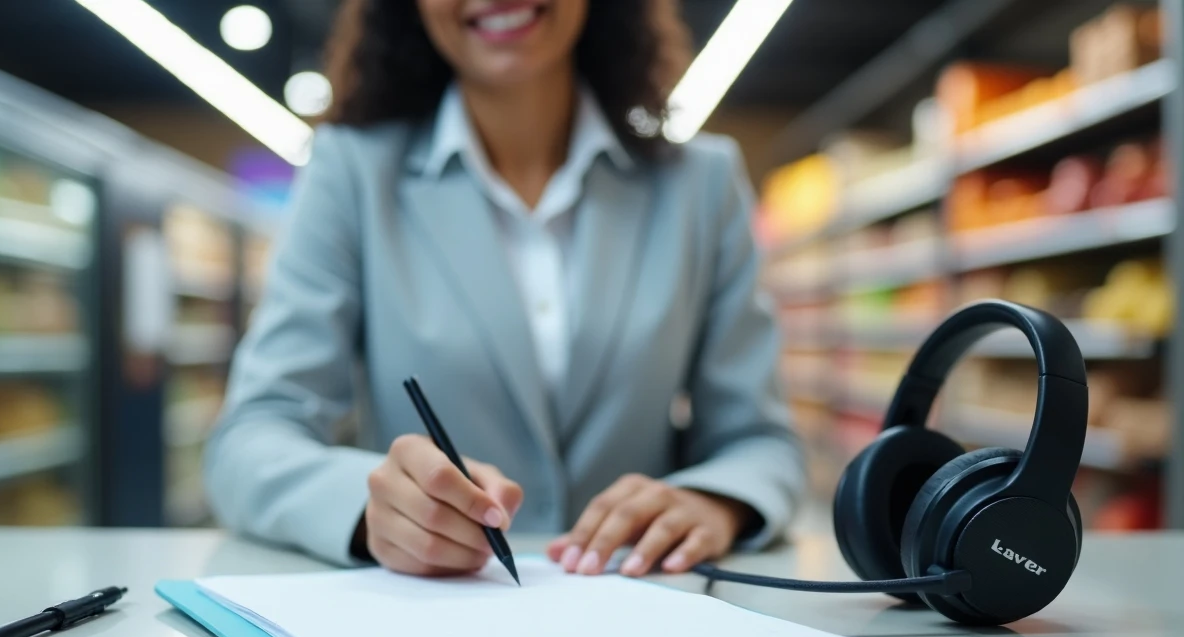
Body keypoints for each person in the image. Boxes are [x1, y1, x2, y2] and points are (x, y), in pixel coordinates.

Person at [205, 0, 805, 579]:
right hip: (429, 621)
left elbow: (761, 441)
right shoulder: (352, 173)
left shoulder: (701, 184)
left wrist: (715, 501)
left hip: (645, 606)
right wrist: (367, 510)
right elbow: (251, 438)